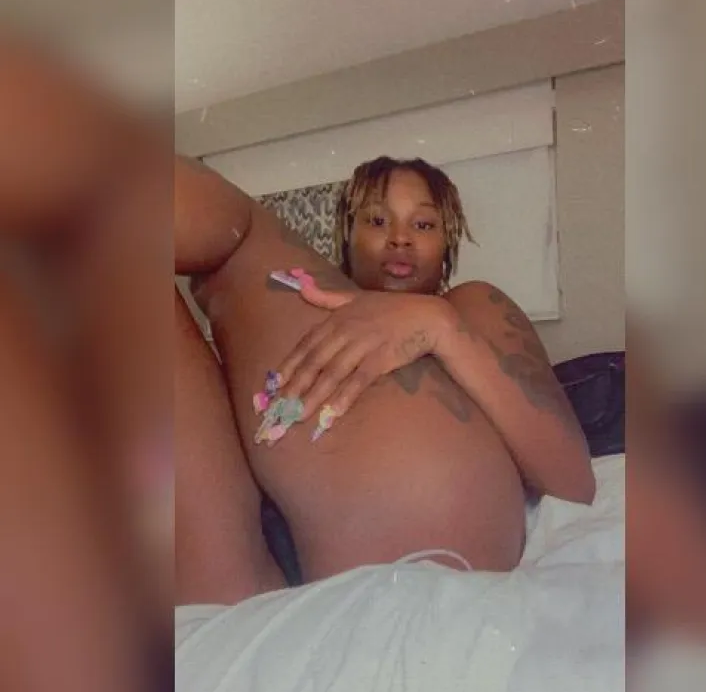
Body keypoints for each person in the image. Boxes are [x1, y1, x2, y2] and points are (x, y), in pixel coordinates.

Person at [176, 153, 596, 604]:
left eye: (424, 225)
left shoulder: (471, 305)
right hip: (248, 567)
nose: (400, 238)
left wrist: (438, 327)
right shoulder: (302, 310)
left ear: (447, 242)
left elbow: (574, 481)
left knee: (243, 236)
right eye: (377, 220)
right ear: (348, 234)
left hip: (425, 578)